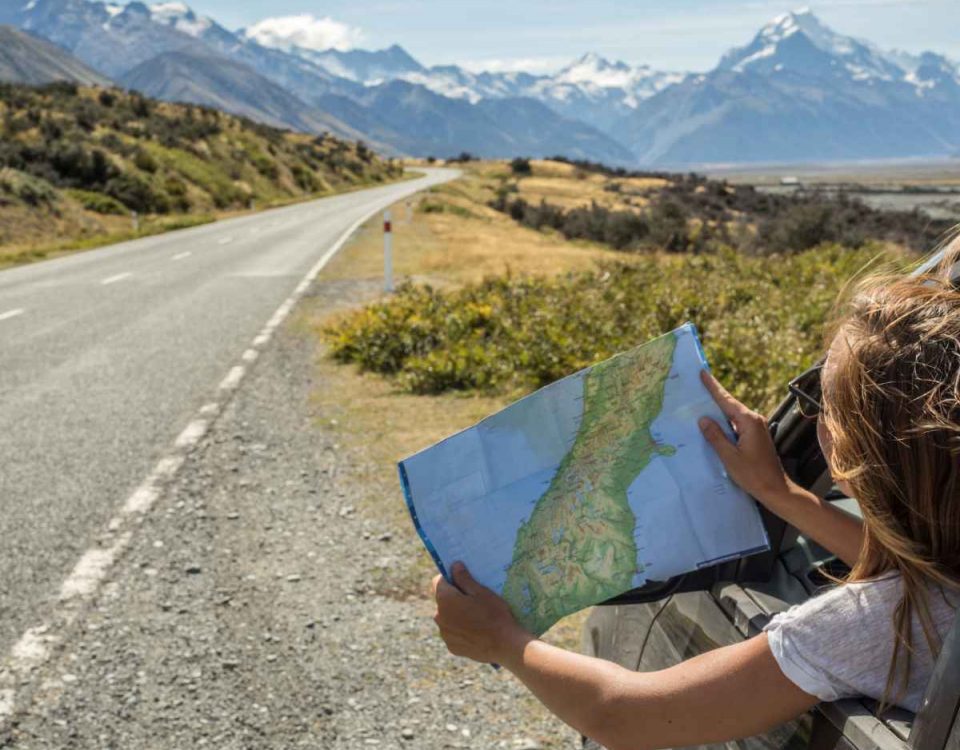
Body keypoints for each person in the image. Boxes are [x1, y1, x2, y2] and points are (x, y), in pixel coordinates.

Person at [430, 247, 960, 750]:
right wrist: (779, 492)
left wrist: (504, 641)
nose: (814, 414)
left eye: (823, 401)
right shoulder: (941, 581)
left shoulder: (878, 623)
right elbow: (918, 564)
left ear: (851, 456)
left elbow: (621, 714)